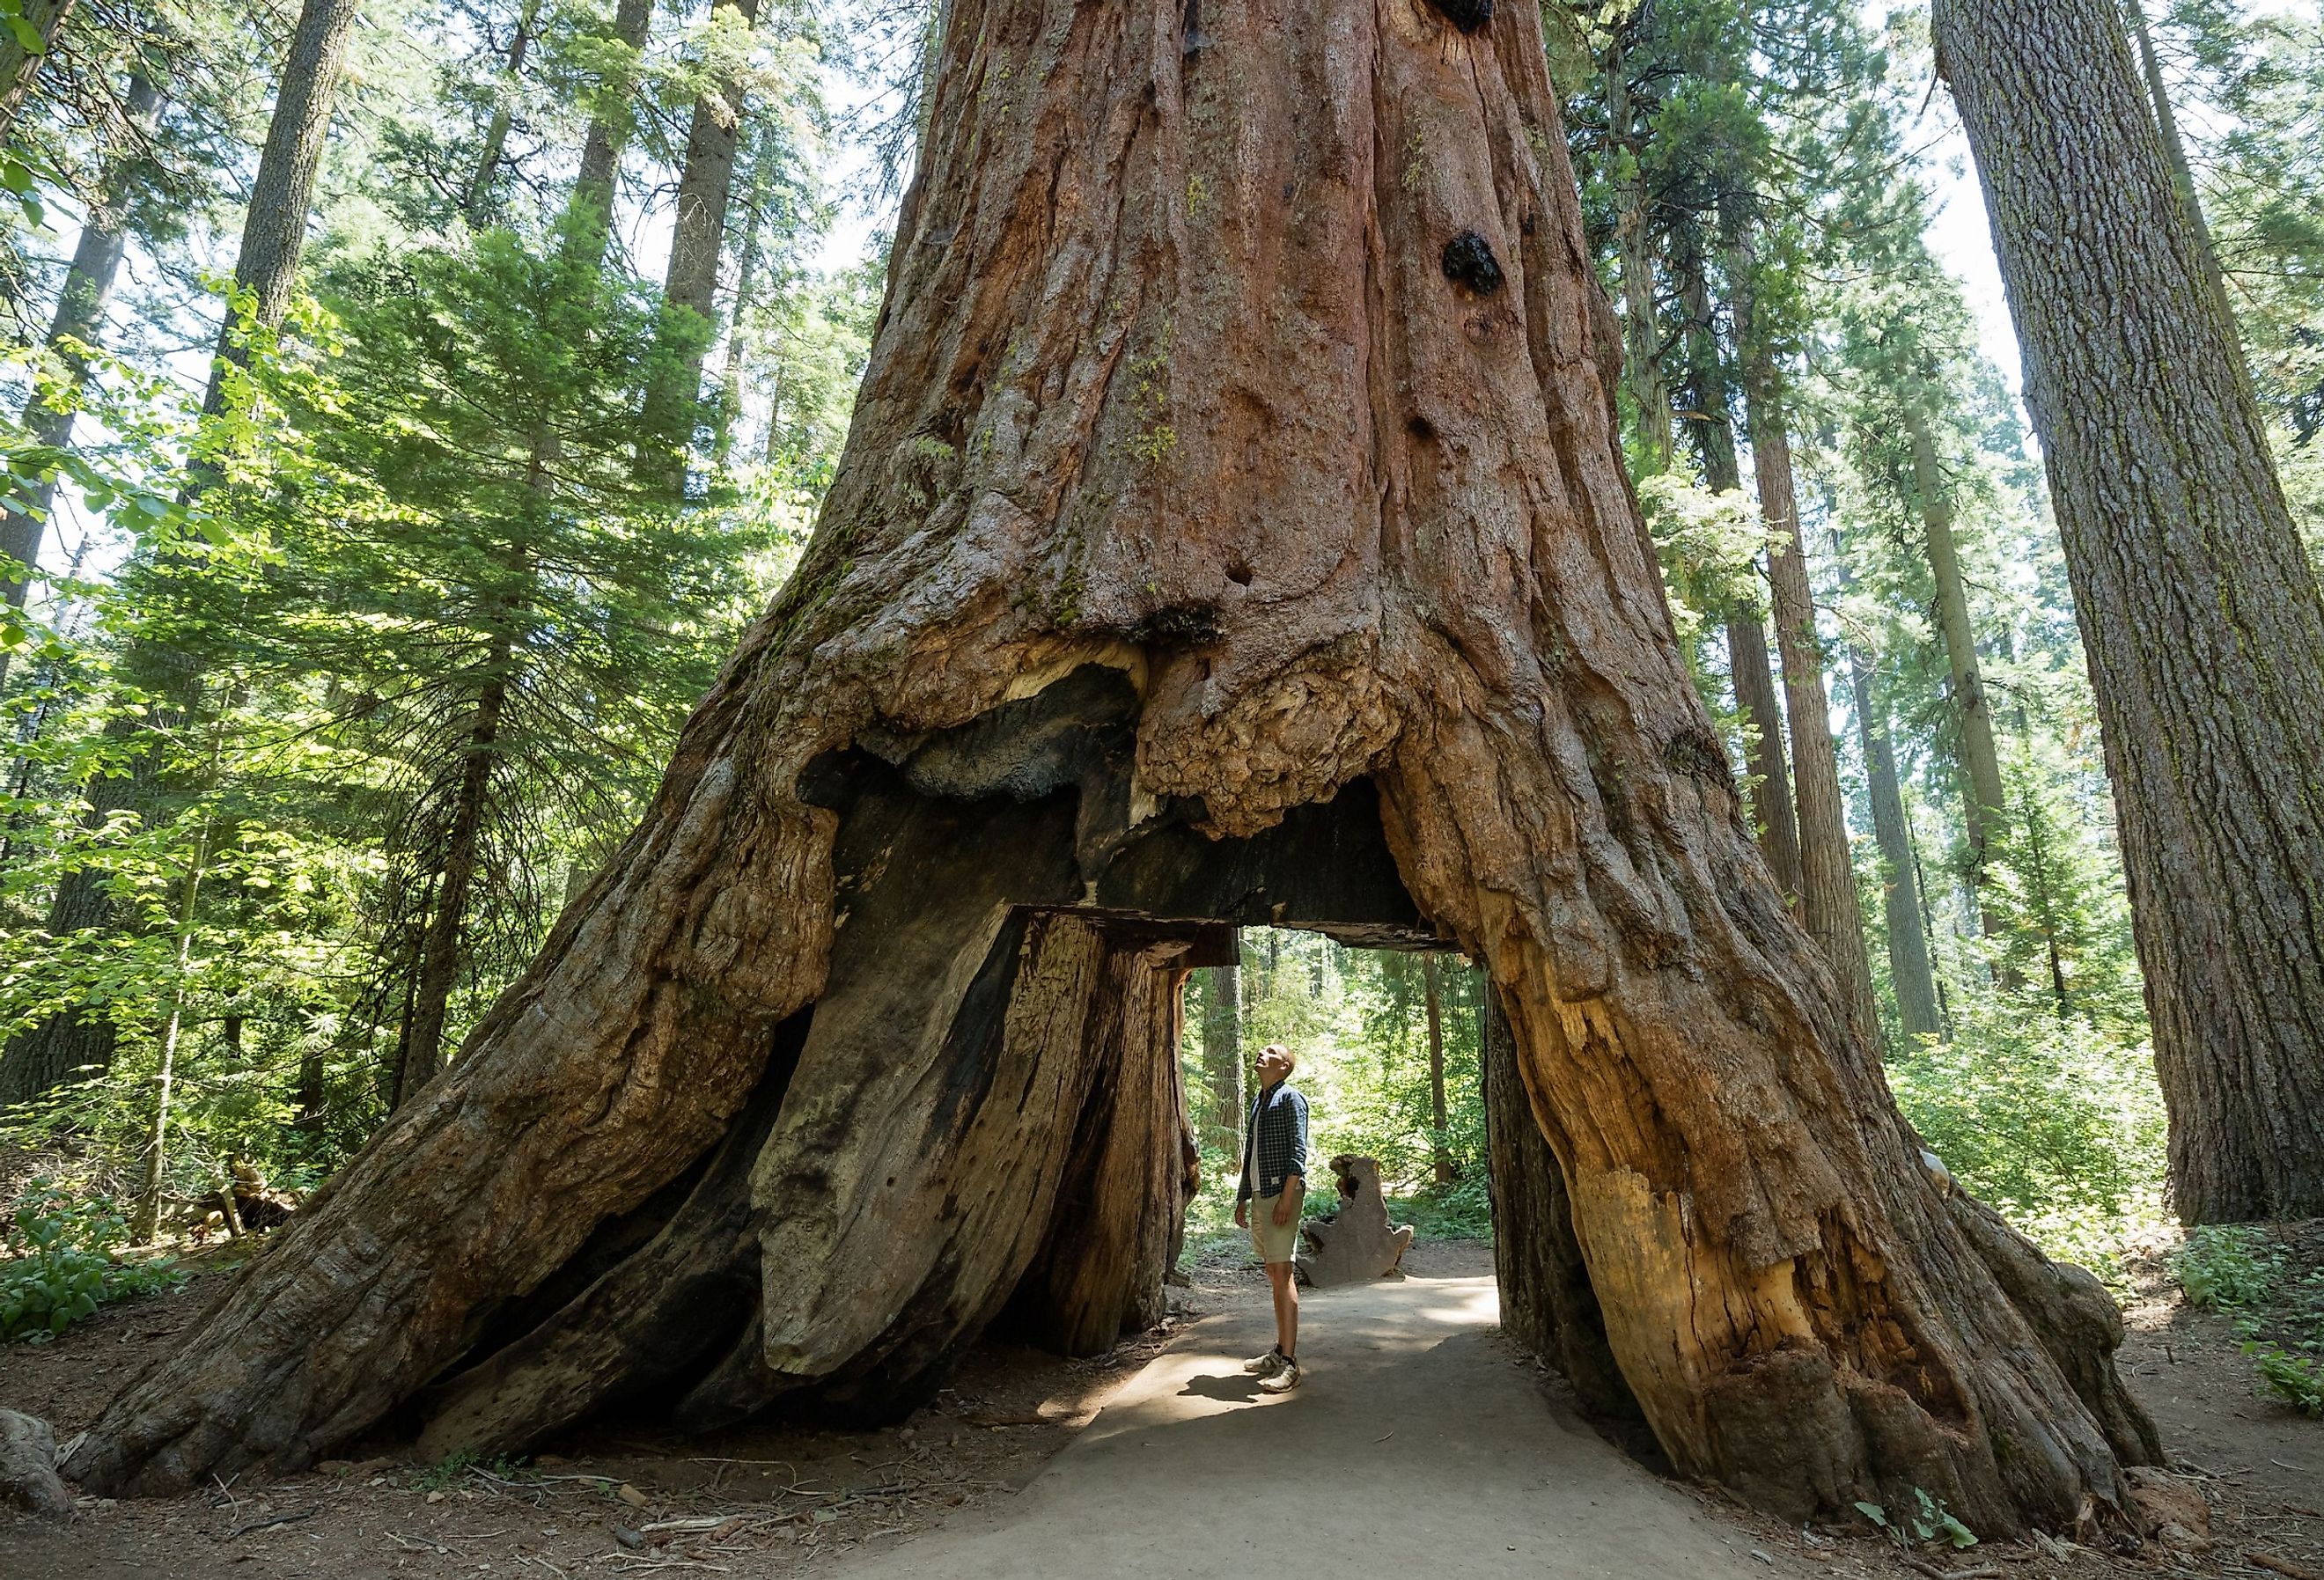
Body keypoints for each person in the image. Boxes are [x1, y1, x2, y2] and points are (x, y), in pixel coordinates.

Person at [1234, 1042, 1308, 1393]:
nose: (1262, 1054)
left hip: (1282, 1194)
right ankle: (1279, 1350)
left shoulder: (1290, 1099)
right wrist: (1242, 1199)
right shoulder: (1258, 1101)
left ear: (1284, 1066)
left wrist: (1287, 1198)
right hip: (1262, 1195)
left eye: (1271, 1052)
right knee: (1272, 1270)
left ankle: (1291, 1363)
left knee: (1282, 1271)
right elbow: (1251, 1154)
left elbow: (1298, 1150)